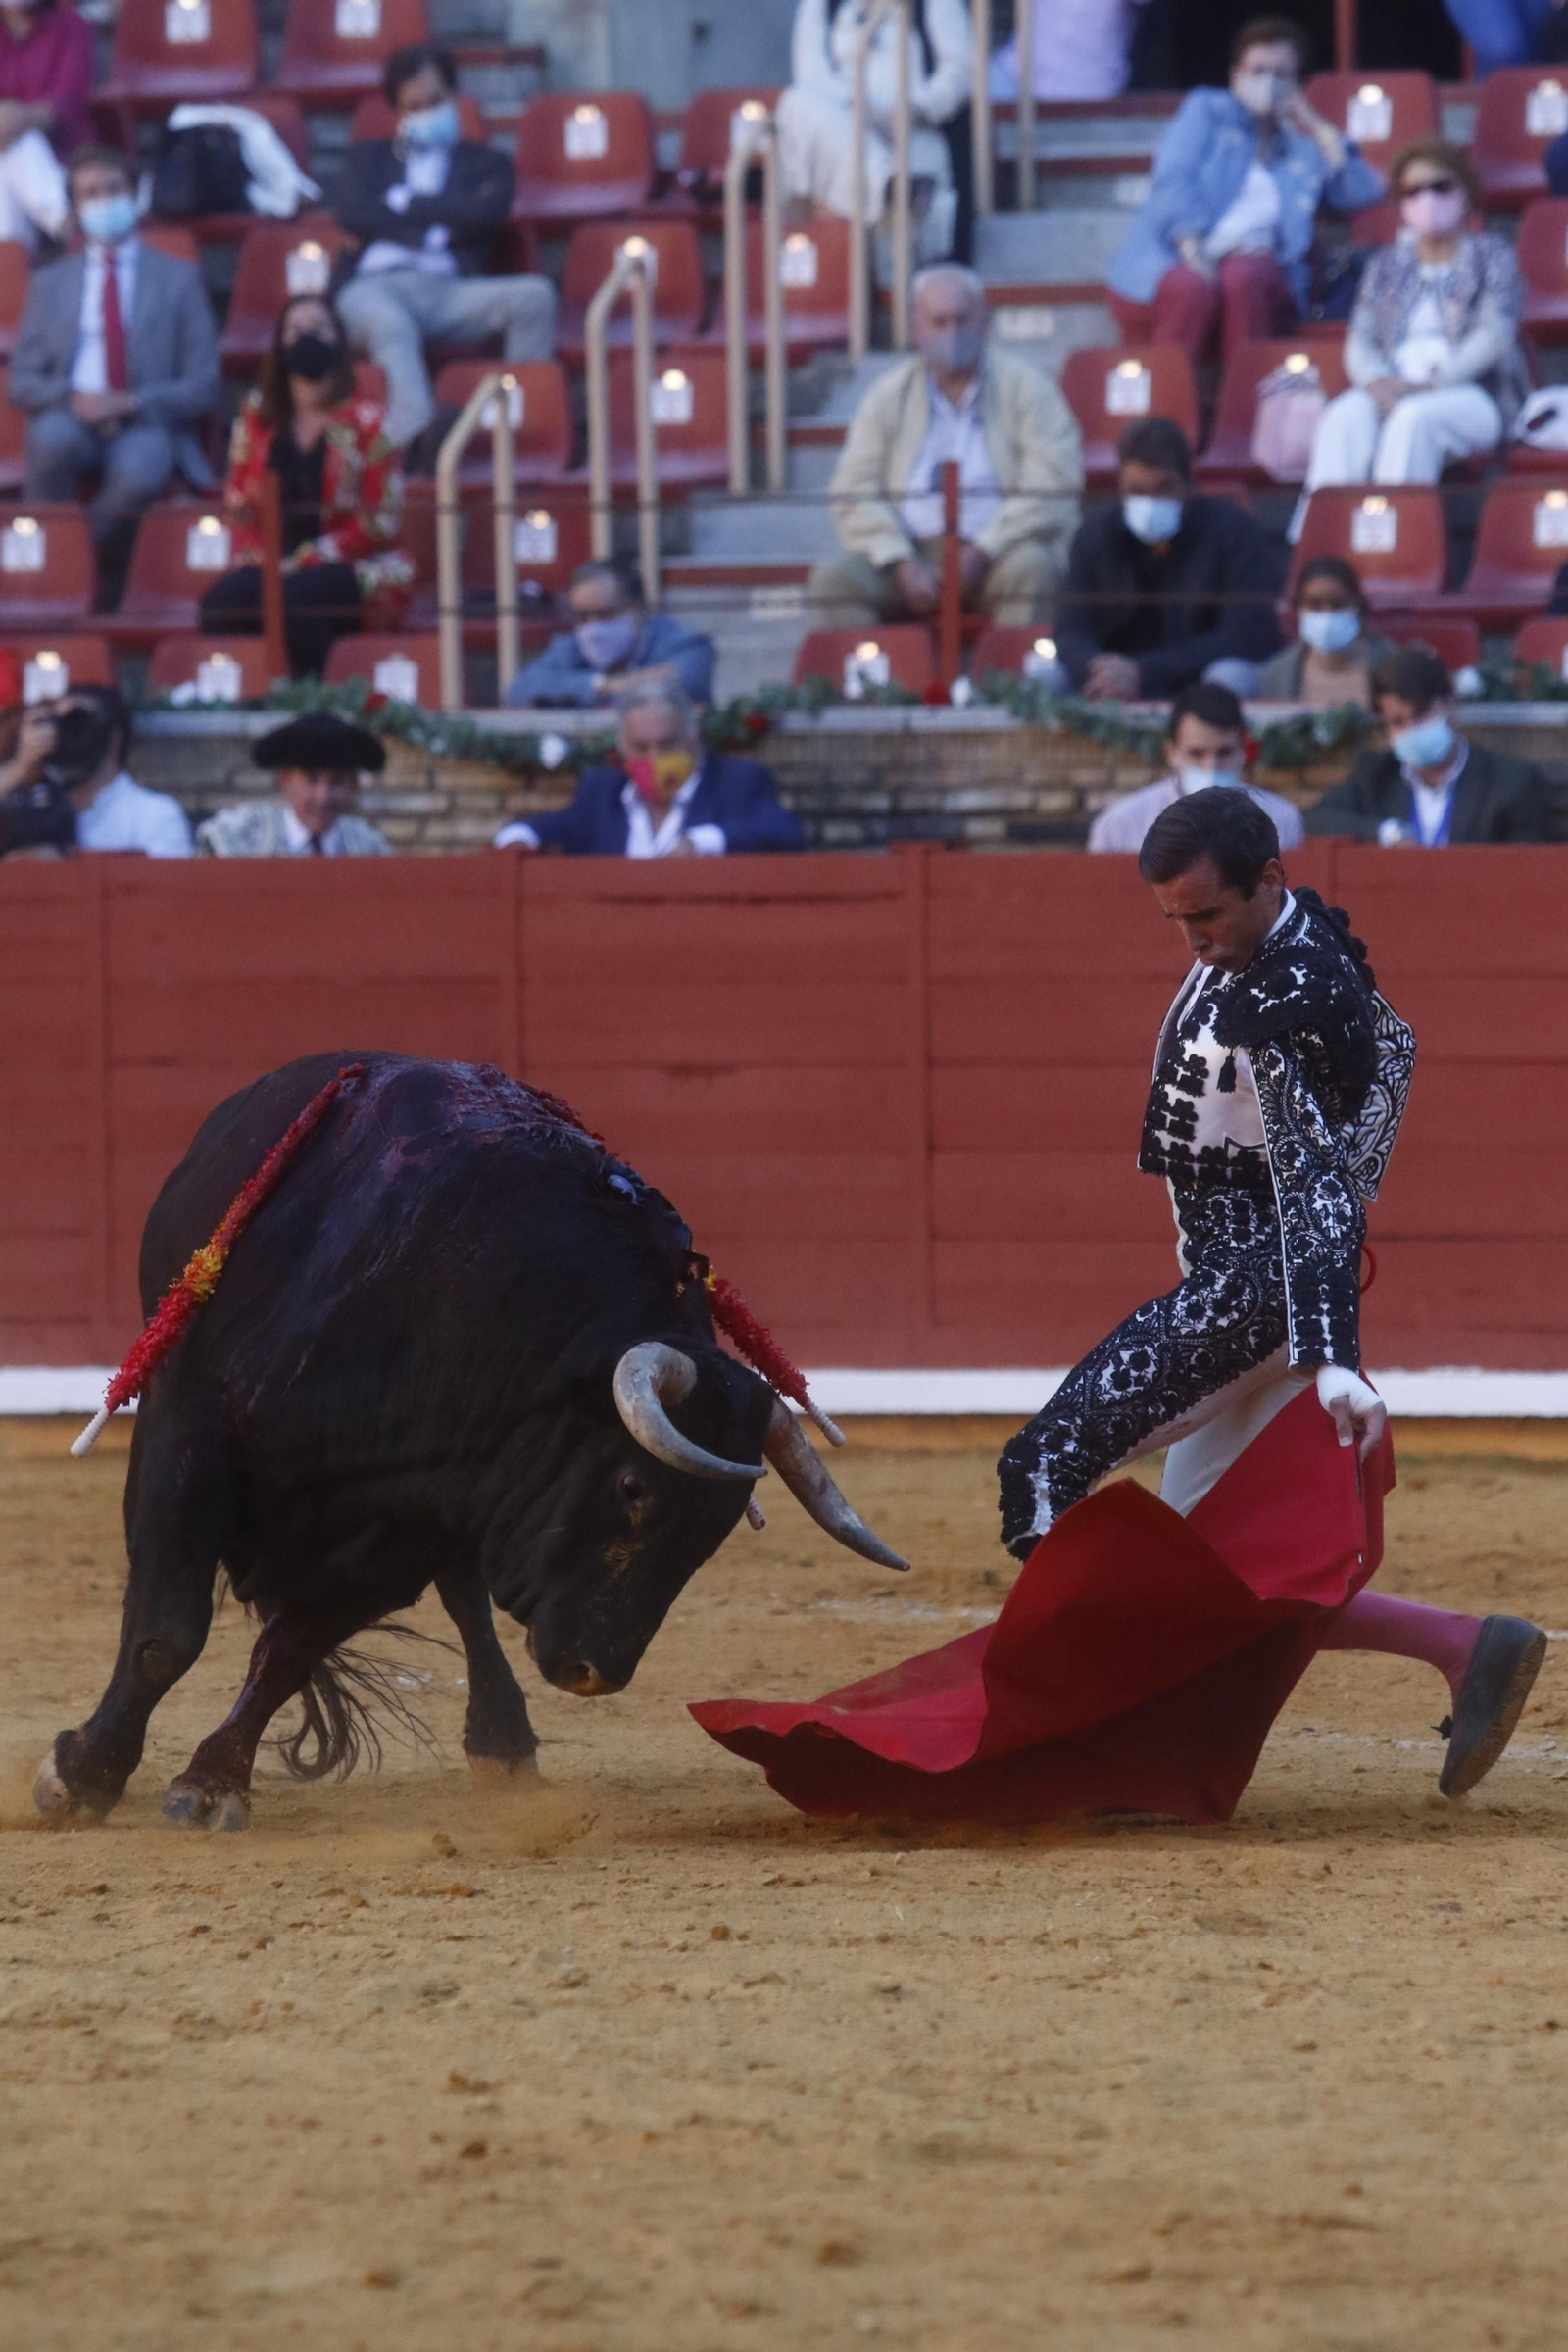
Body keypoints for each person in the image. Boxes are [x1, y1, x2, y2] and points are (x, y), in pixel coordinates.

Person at [995, 787, 1544, 1798]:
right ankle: (1467, 1645)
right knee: (1220, 1567)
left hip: (1248, 1290)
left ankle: (1063, 1737)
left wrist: (1329, 1345)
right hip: (1255, 1284)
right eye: (1174, 920)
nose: (1192, 938)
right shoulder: (1288, 949)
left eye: (1205, 915)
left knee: (1039, 1467)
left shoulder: (1287, 994)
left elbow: (1311, 1177)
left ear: (1269, 882)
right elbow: (1398, 1050)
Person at [810, 263, 1083, 632]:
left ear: (984, 323)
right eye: (939, 322)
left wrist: (984, 549)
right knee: (834, 581)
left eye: (962, 320)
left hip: (1000, 551)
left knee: (1034, 568)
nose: (951, 333)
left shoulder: (1029, 387)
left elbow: (1053, 483)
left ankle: (1012, 689)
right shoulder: (887, 396)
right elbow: (852, 491)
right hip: (909, 552)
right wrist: (900, 560)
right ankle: (875, 690)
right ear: (916, 329)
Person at [1105, 17, 1384, 371]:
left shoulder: (1302, 150)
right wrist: (1191, 246)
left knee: (1245, 276)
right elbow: (1173, 179)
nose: (1269, 81)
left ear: (1296, 83)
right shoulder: (1206, 111)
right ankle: (1168, 414)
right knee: (1191, 287)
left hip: (1258, 263)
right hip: (1182, 250)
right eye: (1259, 70)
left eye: (1282, 74)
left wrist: (1311, 120)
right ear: (1236, 74)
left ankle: (1243, 411)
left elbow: (1363, 189)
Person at [332, 43, 556, 457]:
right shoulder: (369, 159)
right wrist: (441, 224)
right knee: (391, 324)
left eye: (435, 102)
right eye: (413, 106)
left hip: (449, 290)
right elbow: (352, 212)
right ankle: (417, 441)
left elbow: (486, 214)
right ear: (396, 111)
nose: (426, 113)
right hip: (372, 288)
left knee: (535, 298)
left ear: (454, 96)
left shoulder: (487, 164)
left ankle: (526, 430)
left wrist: (405, 205)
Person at [12, 146, 220, 583]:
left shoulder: (179, 278)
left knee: (140, 470)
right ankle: (54, 570)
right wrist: (73, 398)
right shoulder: (50, 284)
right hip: (72, 414)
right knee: (48, 441)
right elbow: (22, 380)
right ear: (76, 208)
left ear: (134, 195)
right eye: (91, 194)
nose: (104, 201)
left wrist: (129, 402)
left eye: (113, 189)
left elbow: (205, 383)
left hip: (147, 419)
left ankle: (73, 564)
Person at [1298, 138, 1525, 518]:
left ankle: (1392, 545)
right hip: (1393, 384)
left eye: (1440, 187)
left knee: (1413, 419)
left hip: (1471, 392)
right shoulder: (1386, 264)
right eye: (1414, 190)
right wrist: (1376, 381)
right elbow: (1361, 338)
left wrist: (1428, 386)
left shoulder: (1493, 256)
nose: (1428, 199)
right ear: (1401, 203)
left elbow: (1494, 336)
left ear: (1466, 194)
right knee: (1342, 417)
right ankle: (1322, 551)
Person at [198, 295, 412, 680]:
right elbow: (237, 504)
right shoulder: (256, 417)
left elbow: (380, 523)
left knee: (299, 598)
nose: (306, 337)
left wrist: (305, 560)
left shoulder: (372, 423)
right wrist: (267, 562)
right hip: (270, 562)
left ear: (340, 343)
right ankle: (244, 694)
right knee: (223, 600)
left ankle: (318, 697)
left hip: (350, 564)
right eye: (295, 330)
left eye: (319, 329)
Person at [1052, 416, 1283, 702]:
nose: (1149, 502)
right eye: (1136, 491)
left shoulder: (1234, 531)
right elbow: (1070, 630)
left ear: (1188, 485)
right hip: (1114, 682)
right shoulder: (1095, 534)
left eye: (1163, 488)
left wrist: (1143, 671)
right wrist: (1102, 673)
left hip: (1196, 676)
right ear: (1120, 486)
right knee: (1047, 678)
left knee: (1230, 677)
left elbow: (1246, 634)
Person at [494, 684, 804, 858]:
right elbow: (549, 827)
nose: (654, 758)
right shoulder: (603, 792)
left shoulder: (736, 782)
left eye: (667, 745)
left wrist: (701, 843)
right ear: (624, 751)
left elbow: (784, 831)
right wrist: (517, 837)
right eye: (641, 748)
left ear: (692, 739)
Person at [776, 0, 971, 271]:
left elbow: (960, 71)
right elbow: (809, 75)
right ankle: (889, 185)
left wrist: (913, 109)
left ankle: (892, 188)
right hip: (842, 127)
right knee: (793, 103)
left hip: (910, 129)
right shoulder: (821, 5)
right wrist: (857, 110)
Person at [1304, 645, 1551, 845]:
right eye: (1398, 722)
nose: (1412, 729)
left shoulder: (1510, 781)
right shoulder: (1375, 774)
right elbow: (1314, 821)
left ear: (1451, 703)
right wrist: (1385, 832)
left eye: (1421, 713)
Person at [1087, 678, 1304, 852]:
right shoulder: (1117, 826)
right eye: (1196, 753)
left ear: (1242, 750)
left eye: (1224, 752)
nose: (1211, 766)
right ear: (1172, 753)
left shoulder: (1282, 818)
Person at [0, 683, 191, 855]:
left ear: (113, 737)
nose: (65, 735)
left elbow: (166, 891)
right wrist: (19, 770)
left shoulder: (154, 815)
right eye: (60, 723)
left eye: (77, 723)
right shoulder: (23, 806)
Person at [506, 560, 716, 710]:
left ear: (638, 608)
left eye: (604, 614)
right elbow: (520, 690)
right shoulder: (572, 645)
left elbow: (686, 680)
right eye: (582, 617)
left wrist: (575, 690)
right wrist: (602, 685)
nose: (592, 627)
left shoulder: (684, 643)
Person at [197, 711, 391, 857]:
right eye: (311, 780)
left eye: (337, 781)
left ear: (354, 784)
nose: (323, 797)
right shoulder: (238, 834)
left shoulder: (369, 846)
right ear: (285, 780)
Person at [0, 0, 89, 248]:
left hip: (59, 156)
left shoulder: (71, 25)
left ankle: (10, 270)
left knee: (19, 144)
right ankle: (65, 223)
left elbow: (66, 101)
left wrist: (21, 119)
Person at [1253, 556, 1396, 705]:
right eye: (1315, 606)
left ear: (1357, 605)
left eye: (1338, 604)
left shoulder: (1391, 665)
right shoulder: (1276, 675)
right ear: (1299, 608)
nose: (1327, 616)